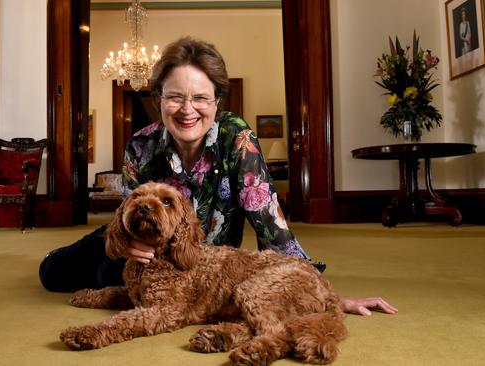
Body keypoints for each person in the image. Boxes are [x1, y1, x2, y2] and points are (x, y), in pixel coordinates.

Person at [39, 37, 398, 317]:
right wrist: (127, 246)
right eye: (175, 97)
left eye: (200, 98)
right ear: (159, 98)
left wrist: (323, 293)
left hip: (199, 264)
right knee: (55, 274)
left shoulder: (237, 139)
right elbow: (128, 214)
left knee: (118, 286)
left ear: (217, 101)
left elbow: (272, 228)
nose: (187, 109)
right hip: (143, 252)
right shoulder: (140, 144)